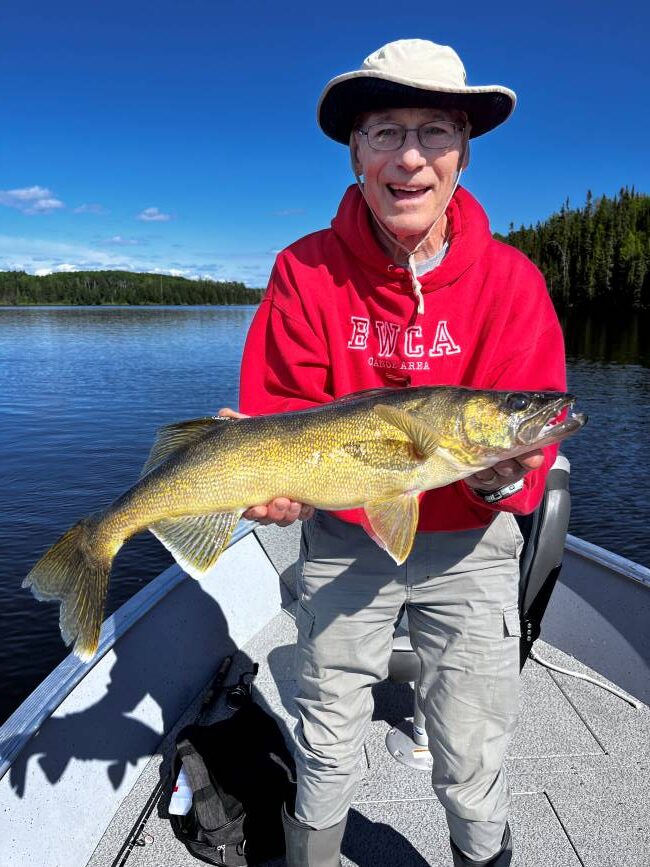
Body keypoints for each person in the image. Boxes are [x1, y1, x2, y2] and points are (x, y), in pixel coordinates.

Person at [221, 39, 566, 867]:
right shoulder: (303, 271)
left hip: (473, 549)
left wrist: (500, 484)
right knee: (327, 735)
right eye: (384, 131)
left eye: (436, 130)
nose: (410, 156)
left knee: (473, 755)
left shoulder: (513, 283)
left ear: (464, 151)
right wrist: (269, 490)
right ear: (356, 151)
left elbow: (527, 448)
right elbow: (277, 419)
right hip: (344, 537)